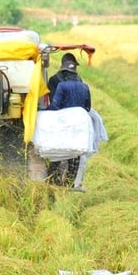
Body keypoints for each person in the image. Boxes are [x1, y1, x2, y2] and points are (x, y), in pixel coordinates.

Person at [47, 53, 93, 192]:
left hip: (62, 123)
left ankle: (52, 182)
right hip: (78, 125)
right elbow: (87, 107)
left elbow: (55, 105)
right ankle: (69, 184)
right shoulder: (84, 86)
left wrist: (45, 112)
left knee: (58, 152)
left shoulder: (59, 83)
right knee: (75, 155)